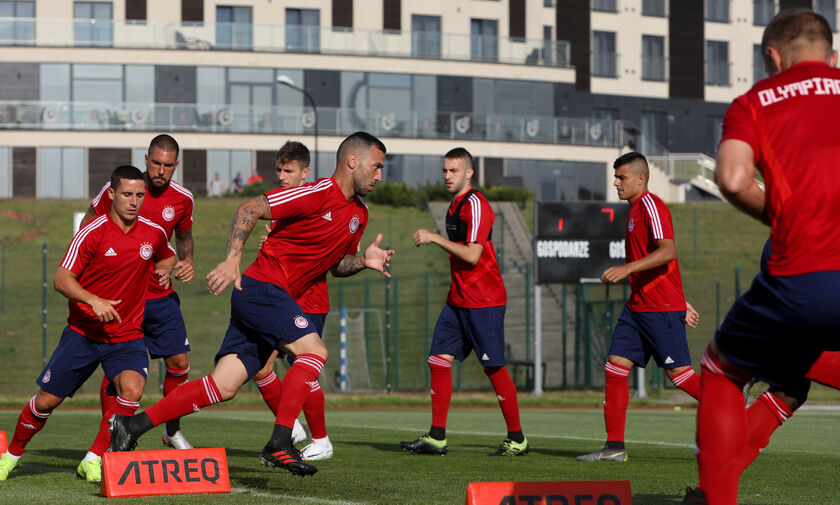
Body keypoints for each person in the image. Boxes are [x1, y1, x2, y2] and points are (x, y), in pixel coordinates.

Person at [109, 132, 394, 477]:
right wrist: (232, 260)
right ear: (353, 161)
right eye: (376, 166)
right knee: (315, 352)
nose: (379, 175)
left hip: (268, 298)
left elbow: (335, 265)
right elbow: (250, 207)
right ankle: (280, 442)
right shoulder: (317, 192)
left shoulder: (358, 215)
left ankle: (131, 426)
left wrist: (363, 259)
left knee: (223, 385)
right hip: (262, 288)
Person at [691, 9, 840, 504]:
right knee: (793, 380)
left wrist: (785, 217)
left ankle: (716, 496)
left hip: (805, 273)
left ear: (773, 57)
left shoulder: (755, 100)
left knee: (722, 370)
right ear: (832, 56)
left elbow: (732, 179)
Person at [0, 165, 176, 482]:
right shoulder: (92, 232)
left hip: (127, 335)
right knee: (45, 401)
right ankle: (11, 454)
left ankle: (93, 459)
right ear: (111, 194)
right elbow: (61, 278)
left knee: (132, 391)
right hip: (83, 334)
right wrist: (92, 300)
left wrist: (166, 269)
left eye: (139, 195)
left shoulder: (153, 231)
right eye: (126, 194)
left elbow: (166, 254)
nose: (134, 201)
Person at [79, 134, 196, 471]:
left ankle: (172, 430)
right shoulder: (120, 190)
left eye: (168, 165)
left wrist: (182, 261)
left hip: (160, 297)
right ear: (146, 160)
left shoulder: (184, 199)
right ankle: (114, 434)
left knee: (178, 362)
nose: (161, 170)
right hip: (121, 297)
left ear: (176, 165)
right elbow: (88, 231)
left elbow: (184, 241)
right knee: (118, 370)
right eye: (156, 163)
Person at [401, 147, 528, 457]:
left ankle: (518, 439)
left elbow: (472, 255)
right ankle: (437, 437)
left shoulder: (477, 205)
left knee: (494, 367)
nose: (447, 176)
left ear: (469, 173)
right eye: (444, 170)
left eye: (453, 170)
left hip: (484, 300)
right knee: (437, 360)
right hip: (458, 300)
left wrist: (434, 238)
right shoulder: (455, 205)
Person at [576, 152, 700, 463]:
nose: (615, 183)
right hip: (639, 306)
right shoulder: (633, 210)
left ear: (640, 179)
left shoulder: (651, 206)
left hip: (659, 307)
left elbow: (668, 251)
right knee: (616, 368)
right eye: (615, 177)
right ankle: (614, 447)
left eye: (621, 177)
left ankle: (740, 414)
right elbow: (659, 265)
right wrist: (681, 298)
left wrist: (628, 269)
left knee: (679, 374)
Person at [253, 140, 334, 461]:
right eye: (279, 169)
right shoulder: (284, 204)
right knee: (261, 367)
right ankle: (296, 430)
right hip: (283, 297)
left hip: (309, 300)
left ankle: (320, 439)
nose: (282, 176)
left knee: (303, 368)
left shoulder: (314, 200)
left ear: (305, 172)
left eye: (289, 171)